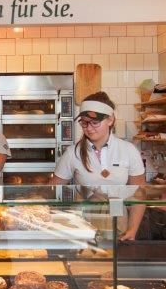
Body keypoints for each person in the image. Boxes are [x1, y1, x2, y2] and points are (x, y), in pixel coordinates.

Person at [50, 92, 146, 241]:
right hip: (83, 222)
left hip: (118, 220)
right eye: (84, 123)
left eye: (95, 122)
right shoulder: (72, 153)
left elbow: (139, 194)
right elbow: (52, 190)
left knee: (115, 254)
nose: (89, 128)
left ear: (110, 119)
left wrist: (132, 229)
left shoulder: (128, 150)